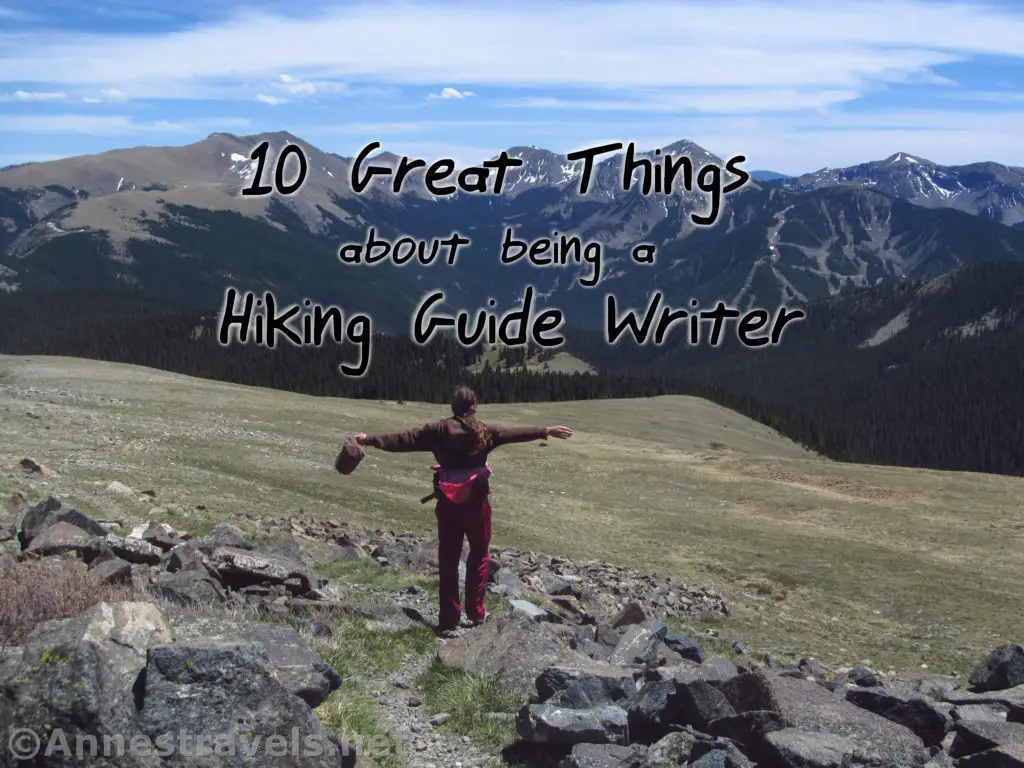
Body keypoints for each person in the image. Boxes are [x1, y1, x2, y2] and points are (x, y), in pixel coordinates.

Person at [352, 386, 573, 637]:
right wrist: (545, 431)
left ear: (453, 406)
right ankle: (476, 612)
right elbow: (514, 433)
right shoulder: (485, 431)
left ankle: (448, 619)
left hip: (447, 504)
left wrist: (368, 439)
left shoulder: (436, 430)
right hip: (476, 505)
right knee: (479, 555)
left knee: (448, 559)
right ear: (474, 406)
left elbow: (401, 440)